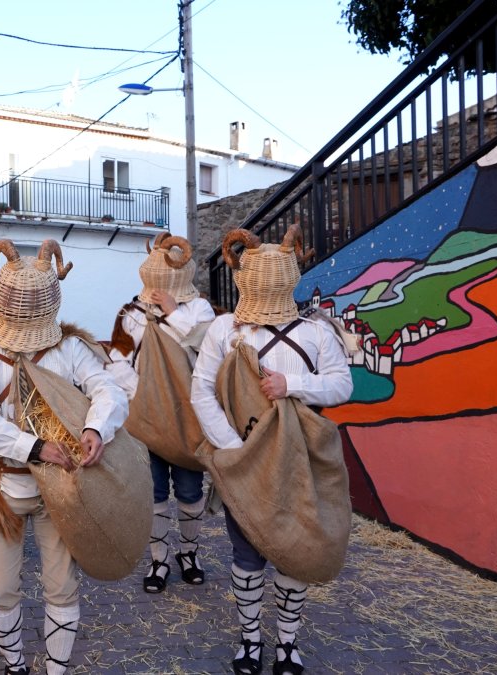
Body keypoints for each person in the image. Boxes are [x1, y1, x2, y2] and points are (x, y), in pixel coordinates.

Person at [0, 240, 128, 675]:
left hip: (62, 488)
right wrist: (33, 447)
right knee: (1, 587)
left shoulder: (69, 349)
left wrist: (95, 427)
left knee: (62, 586)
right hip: (3, 486)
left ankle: (56, 668)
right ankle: (14, 664)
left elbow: (108, 388)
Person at [191, 226, 353, 675]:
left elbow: (342, 384)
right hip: (242, 461)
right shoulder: (225, 329)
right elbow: (201, 390)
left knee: (294, 547)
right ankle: (249, 641)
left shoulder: (315, 332)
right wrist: (232, 448)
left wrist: (292, 384)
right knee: (246, 554)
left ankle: (286, 644)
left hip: (301, 459)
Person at [106, 233, 215, 594]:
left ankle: (189, 552)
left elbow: (207, 348)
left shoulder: (199, 310)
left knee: (188, 488)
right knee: (153, 491)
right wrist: (143, 397)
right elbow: (117, 360)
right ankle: (159, 558)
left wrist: (172, 312)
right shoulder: (129, 313)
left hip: (188, 416)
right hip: (145, 417)